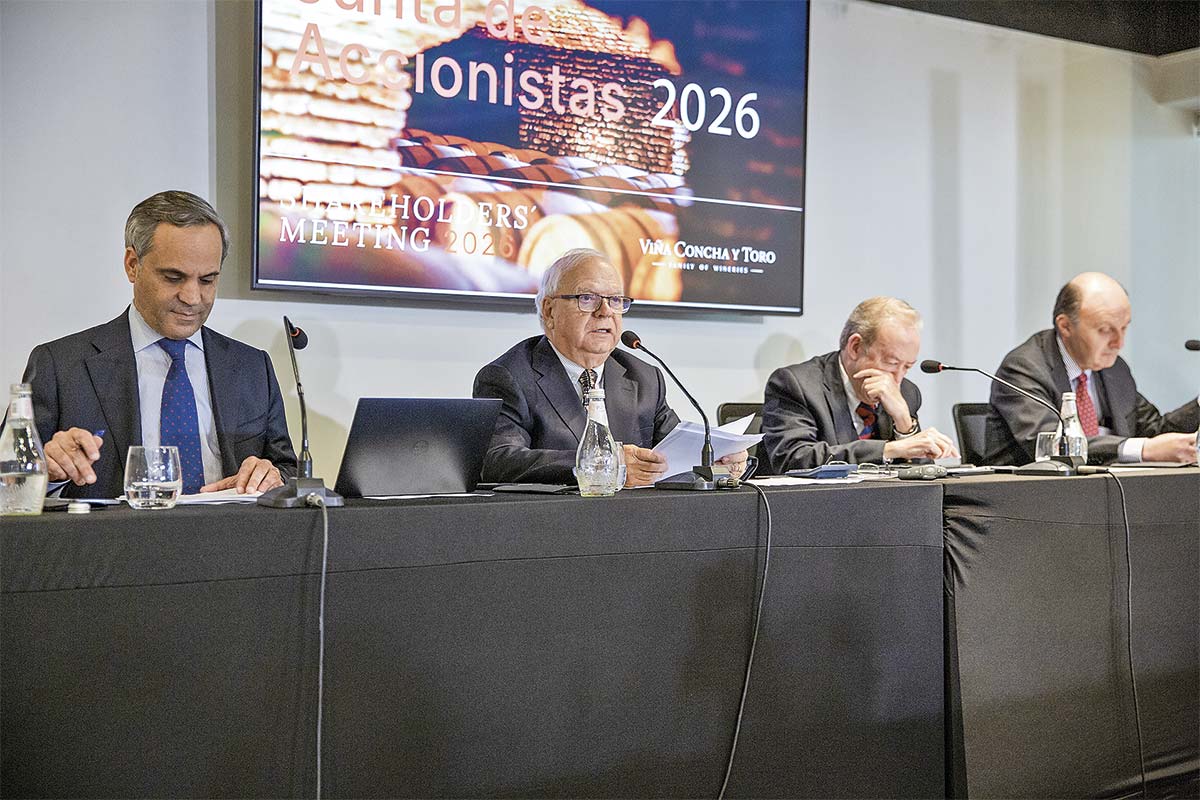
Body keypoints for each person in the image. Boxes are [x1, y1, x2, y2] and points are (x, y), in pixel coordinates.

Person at [21, 190, 296, 499]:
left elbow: (286, 471)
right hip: (112, 544)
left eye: (207, 280)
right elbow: (11, 482)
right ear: (132, 264)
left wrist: (271, 477)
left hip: (230, 541)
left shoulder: (251, 367)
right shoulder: (60, 366)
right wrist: (51, 470)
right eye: (174, 277)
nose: (192, 298)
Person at [473, 248, 748, 485]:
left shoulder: (644, 378)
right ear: (548, 311)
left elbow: (673, 456)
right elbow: (499, 460)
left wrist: (718, 461)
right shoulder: (509, 377)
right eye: (588, 298)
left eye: (615, 300)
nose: (605, 311)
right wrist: (607, 462)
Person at [984, 272, 1198, 465]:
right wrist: (1143, 449)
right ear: (1065, 326)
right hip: (1031, 499)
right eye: (1105, 330)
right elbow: (1054, 446)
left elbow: (1155, 433)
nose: (1119, 343)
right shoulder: (1024, 368)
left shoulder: (1114, 369)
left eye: (1124, 328)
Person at [761, 296, 959, 472]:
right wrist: (888, 449)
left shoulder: (906, 392)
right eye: (891, 363)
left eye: (907, 367)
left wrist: (904, 422)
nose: (897, 378)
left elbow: (922, 477)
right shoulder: (796, 385)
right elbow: (794, 459)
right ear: (855, 347)